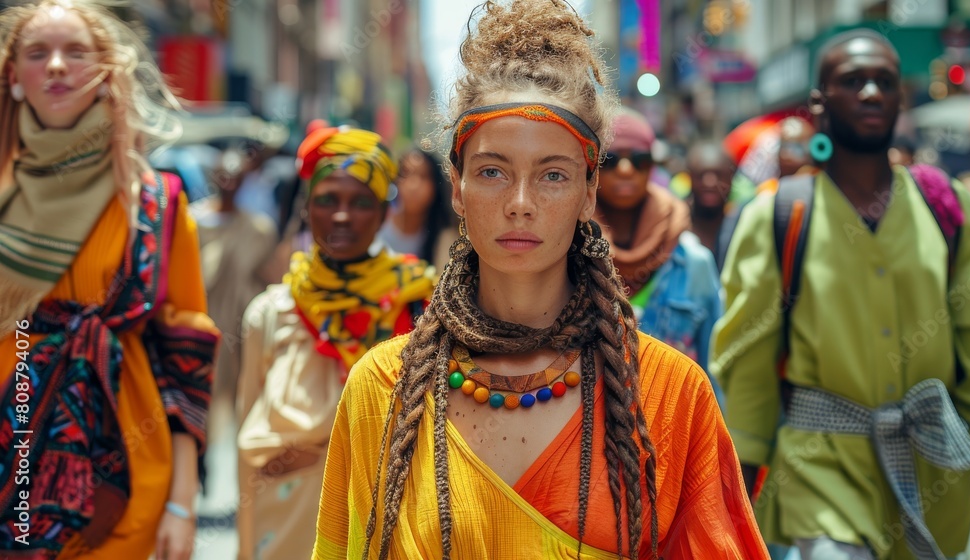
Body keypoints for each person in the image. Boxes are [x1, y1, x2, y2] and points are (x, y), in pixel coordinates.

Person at [311, 1, 769, 558]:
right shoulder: (381, 389)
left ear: (588, 191)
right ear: (456, 188)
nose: (520, 204)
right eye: (492, 172)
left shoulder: (670, 394)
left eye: (553, 174)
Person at [712, 29, 970, 560]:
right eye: (853, 81)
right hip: (821, 472)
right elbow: (748, 364)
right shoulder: (779, 217)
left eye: (884, 82)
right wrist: (740, 485)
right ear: (820, 100)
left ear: (900, 98)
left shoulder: (948, 211)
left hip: (939, 467)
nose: (870, 93)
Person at [0, 2, 218, 559]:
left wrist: (182, 503)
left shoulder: (156, 203)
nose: (55, 66)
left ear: (105, 73)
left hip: (124, 479)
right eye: (36, 53)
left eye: (76, 52)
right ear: (14, 77)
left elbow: (184, 356)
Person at [235, 127, 435, 560]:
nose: (342, 217)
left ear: (384, 212)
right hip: (285, 527)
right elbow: (245, 449)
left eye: (361, 202)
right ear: (307, 207)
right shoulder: (271, 313)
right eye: (327, 200)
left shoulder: (422, 303)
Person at [594, 108, 721, 377]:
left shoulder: (692, 261)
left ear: (652, 165)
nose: (626, 170)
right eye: (611, 159)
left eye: (639, 159)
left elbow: (712, 370)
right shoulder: (568, 253)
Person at [190, 149, 278, 441]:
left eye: (236, 177)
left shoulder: (258, 229)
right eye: (224, 175)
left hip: (239, 331)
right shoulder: (191, 223)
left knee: (238, 403)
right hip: (199, 326)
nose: (229, 183)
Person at [377, 147, 456, 270]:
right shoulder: (378, 223)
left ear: (435, 185)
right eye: (406, 174)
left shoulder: (446, 238)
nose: (413, 185)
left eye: (423, 176)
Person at [686, 141, 738, 271]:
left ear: (731, 178)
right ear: (690, 177)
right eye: (701, 175)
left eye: (719, 175)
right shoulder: (674, 226)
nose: (709, 183)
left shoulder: (742, 224)